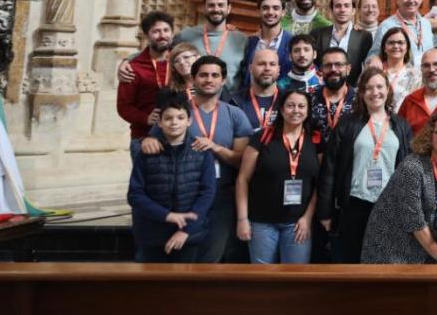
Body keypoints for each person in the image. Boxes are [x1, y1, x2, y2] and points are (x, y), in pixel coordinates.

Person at [138, 55, 252, 262]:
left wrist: (216, 148)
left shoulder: (235, 114)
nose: (209, 80)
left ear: (223, 81)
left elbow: (243, 161)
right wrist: (146, 141)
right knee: (177, 258)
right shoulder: (178, 113)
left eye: (215, 75)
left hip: (222, 197)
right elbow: (153, 141)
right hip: (183, 198)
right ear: (193, 78)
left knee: (211, 258)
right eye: (203, 75)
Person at [317, 68, 414, 263]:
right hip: (355, 204)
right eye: (368, 88)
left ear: (388, 90)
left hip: (390, 205)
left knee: (385, 261)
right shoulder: (347, 124)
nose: (374, 92)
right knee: (354, 260)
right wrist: (325, 212)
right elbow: (330, 170)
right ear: (361, 92)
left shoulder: (401, 126)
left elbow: (408, 170)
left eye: (379, 86)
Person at [362, 110, 437, 264]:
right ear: (430, 136)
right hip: (393, 243)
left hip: (435, 243)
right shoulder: (412, 167)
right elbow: (414, 221)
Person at [128, 92, 216, 262]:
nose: (174, 122)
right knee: (149, 285)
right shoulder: (146, 152)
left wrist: (185, 230)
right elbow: (135, 195)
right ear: (159, 122)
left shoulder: (201, 153)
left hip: (188, 235)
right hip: (152, 234)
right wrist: (167, 215)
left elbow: (207, 193)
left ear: (188, 121)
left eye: (180, 117)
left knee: (184, 286)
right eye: (168, 118)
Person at [235, 89, 320, 263]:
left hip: (298, 223)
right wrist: (242, 219)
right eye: (290, 105)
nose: (296, 110)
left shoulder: (315, 140)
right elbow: (243, 179)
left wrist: (307, 218)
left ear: (308, 110)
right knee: (263, 281)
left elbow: (320, 184)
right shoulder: (264, 136)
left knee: (295, 279)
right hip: (262, 222)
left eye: (301, 106)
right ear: (281, 110)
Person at [174, 0, 248, 96]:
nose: (216, 9)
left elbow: (246, 75)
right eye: (211, 5)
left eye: (220, 5)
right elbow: (169, 63)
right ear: (204, 8)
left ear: (228, 8)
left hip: (229, 102)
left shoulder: (241, 39)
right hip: (194, 100)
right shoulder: (186, 35)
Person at [116, 11, 175, 140]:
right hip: (144, 136)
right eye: (156, 31)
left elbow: (194, 90)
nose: (162, 35)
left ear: (172, 33)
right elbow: (124, 106)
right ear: (147, 36)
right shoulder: (133, 68)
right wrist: (145, 119)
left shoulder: (180, 62)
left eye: (166, 30)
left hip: (178, 136)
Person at [313, 0, 373, 85]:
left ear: (353, 11)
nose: (342, 10)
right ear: (331, 10)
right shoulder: (318, 34)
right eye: (338, 6)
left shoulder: (364, 36)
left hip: (351, 90)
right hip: (322, 87)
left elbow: (367, 65)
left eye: (346, 6)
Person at [375, 0, 437, 65]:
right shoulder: (386, 26)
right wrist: (374, 60)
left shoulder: (426, 24)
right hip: (401, 77)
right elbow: (374, 57)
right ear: (398, 0)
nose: (411, 0)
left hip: (427, 76)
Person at [309, 47, 356, 150]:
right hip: (317, 161)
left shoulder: (360, 100)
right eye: (328, 65)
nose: (333, 69)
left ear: (348, 68)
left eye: (338, 65)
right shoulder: (309, 99)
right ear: (321, 70)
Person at [242, 0, 292, 87]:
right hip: (249, 98)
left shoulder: (293, 43)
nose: (270, 12)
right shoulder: (249, 42)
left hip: (281, 98)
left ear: (283, 12)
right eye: (265, 8)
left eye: (275, 8)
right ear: (259, 12)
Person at [377, 25, 421, 114]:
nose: (396, 46)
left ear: (407, 47)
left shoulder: (416, 75)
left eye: (400, 43)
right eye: (391, 42)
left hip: (404, 122)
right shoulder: (374, 71)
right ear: (384, 47)